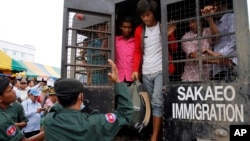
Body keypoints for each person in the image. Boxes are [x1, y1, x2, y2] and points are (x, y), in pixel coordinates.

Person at [43, 59, 133, 141]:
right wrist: (117, 82)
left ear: (58, 99)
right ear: (81, 97)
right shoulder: (96, 123)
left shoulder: (49, 120)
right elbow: (125, 114)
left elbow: (55, 108)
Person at [132, 0, 178, 140]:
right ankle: (159, 132)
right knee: (151, 104)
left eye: (147, 15)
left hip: (160, 71)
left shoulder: (162, 27)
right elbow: (137, 51)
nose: (145, 18)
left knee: (157, 102)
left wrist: (169, 35)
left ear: (153, 13)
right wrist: (135, 69)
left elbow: (175, 49)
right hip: (146, 72)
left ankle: (154, 137)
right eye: (142, 16)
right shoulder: (139, 30)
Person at [201, 0, 236, 80]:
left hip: (230, 65)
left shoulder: (232, 17)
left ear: (225, 4)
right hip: (218, 69)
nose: (215, 8)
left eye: (217, 4)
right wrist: (209, 19)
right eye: (214, 5)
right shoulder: (216, 22)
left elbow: (234, 42)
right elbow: (215, 39)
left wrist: (219, 53)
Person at [0, 77, 44, 141]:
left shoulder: (18, 106)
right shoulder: (4, 120)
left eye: (12, 88)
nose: (14, 92)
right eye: (9, 90)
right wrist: (47, 130)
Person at [115, 16, 135, 85]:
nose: (127, 30)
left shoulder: (135, 42)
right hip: (118, 77)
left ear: (132, 28)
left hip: (132, 76)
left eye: (129, 27)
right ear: (120, 27)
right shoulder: (115, 40)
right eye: (125, 27)